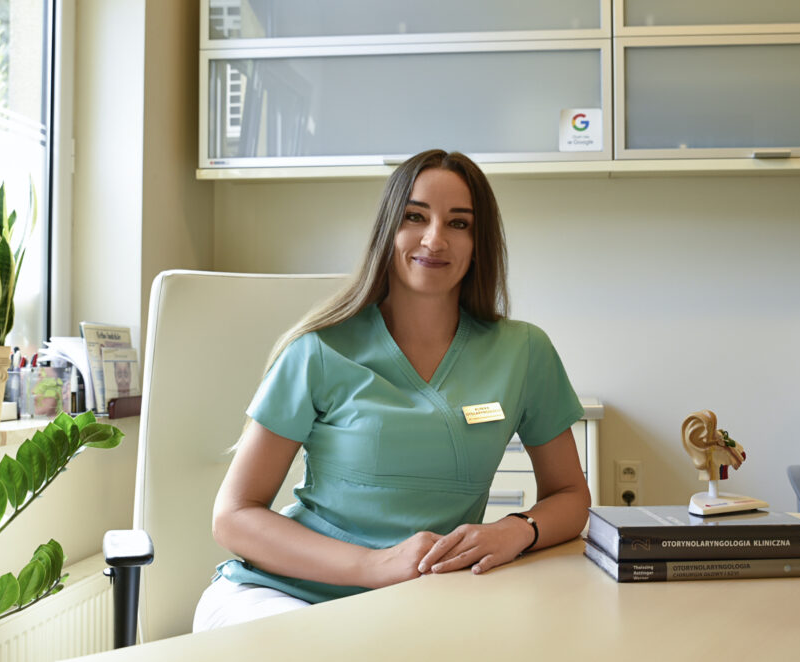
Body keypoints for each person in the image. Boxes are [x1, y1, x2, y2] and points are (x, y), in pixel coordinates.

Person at [193, 149, 591, 631]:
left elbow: (570, 495)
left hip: (419, 605)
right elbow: (233, 517)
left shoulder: (524, 352)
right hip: (278, 595)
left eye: (459, 223)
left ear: (479, 242)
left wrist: (516, 530)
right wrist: (370, 566)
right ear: (389, 230)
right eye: (414, 217)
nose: (434, 238)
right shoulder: (319, 350)